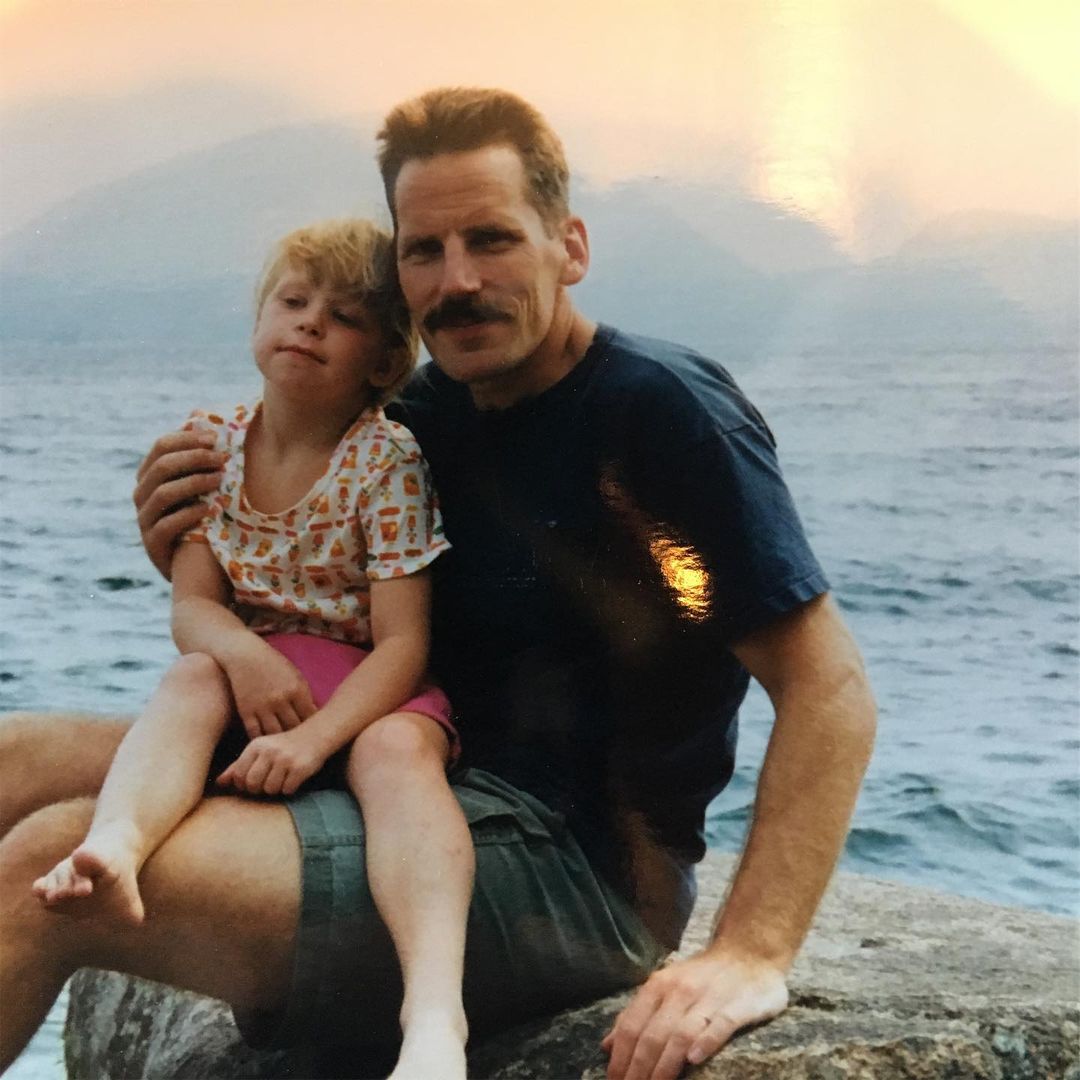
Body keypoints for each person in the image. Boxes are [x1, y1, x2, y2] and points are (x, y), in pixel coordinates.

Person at [0, 88, 876, 1080]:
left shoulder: (661, 413)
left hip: (569, 866)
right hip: (390, 772)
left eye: (492, 240)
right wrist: (189, 540)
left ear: (570, 247)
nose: (457, 282)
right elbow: (318, 571)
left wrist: (751, 950)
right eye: (424, 250)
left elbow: (827, 688)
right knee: (15, 758)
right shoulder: (425, 410)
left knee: (48, 862)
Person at [28, 218, 473, 1080]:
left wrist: (315, 740)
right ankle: (119, 844)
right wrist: (245, 656)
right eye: (293, 301)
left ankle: (432, 1016)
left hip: (363, 687)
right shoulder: (216, 445)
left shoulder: (386, 457)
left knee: (398, 754)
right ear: (257, 321)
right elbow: (194, 605)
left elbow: (403, 644)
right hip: (255, 676)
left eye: (342, 316)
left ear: (384, 361)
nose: (308, 323)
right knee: (194, 676)